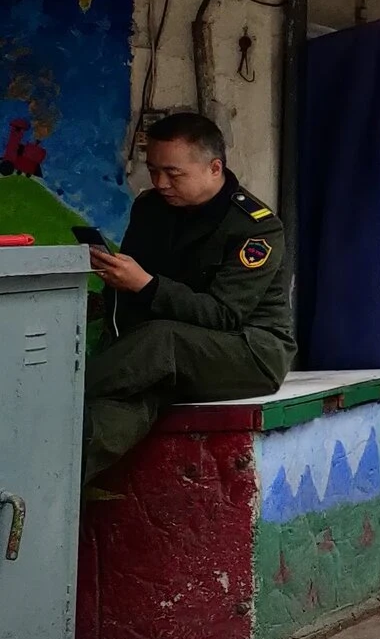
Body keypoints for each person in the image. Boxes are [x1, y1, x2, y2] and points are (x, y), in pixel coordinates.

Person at [83, 113, 295, 486]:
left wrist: (146, 285)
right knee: (110, 416)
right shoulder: (151, 209)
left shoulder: (256, 227)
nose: (161, 183)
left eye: (173, 173)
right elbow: (135, 294)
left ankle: (46, 400)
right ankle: (53, 479)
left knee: (161, 340)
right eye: (153, 170)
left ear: (214, 168)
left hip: (247, 353)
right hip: (167, 356)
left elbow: (225, 315)